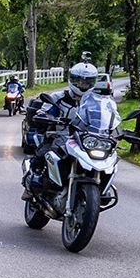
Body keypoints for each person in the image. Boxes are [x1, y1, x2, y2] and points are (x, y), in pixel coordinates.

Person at [24, 62, 101, 193]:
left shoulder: (96, 102)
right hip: (59, 137)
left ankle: (100, 188)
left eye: (87, 82)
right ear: (72, 80)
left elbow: (104, 119)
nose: (82, 85)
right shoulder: (58, 97)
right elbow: (43, 112)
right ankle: (33, 183)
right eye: (79, 81)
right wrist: (45, 117)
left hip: (85, 141)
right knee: (44, 154)